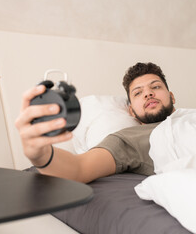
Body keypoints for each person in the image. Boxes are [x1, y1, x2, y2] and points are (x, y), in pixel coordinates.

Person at [15, 62, 176, 183]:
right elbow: (79, 168)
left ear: (172, 97)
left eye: (155, 87)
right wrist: (40, 154)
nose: (148, 93)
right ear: (132, 111)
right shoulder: (130, 139)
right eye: (138, 93)